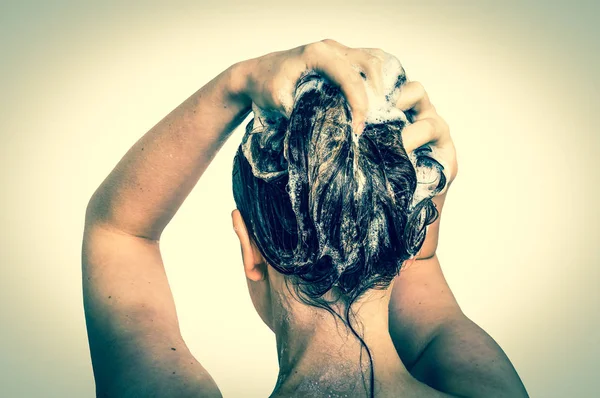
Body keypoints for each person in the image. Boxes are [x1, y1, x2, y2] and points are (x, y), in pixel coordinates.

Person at [82, 39, 529, 397]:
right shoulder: (485, 388)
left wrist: (238, 82)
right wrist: (426, 178)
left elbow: (119, 233)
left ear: (249, 248)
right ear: (406, 243)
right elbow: (424, 263)